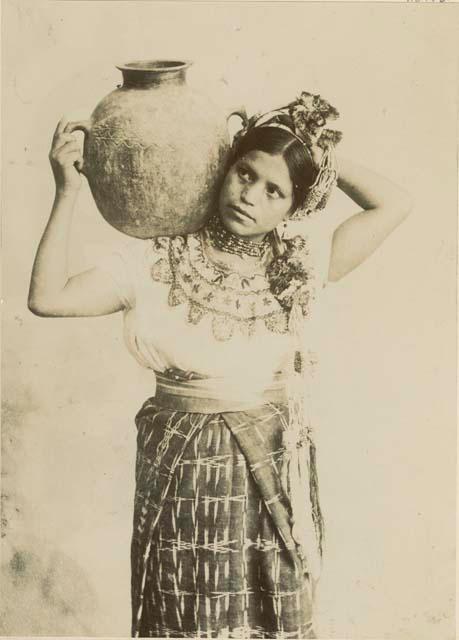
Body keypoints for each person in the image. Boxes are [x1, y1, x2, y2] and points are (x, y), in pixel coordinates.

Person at [28, 91, 412, 639]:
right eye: (245, 173)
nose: (251, 195)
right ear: (225, 167)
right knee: (188, 616)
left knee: (271, 615)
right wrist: (66, 191)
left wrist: (313, 151)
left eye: (275, 190)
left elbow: (395, 203)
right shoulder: (159, 258)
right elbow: (46, 298)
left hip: (273, 470)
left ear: (295, 206)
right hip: (184, 469)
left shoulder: (303, 264)